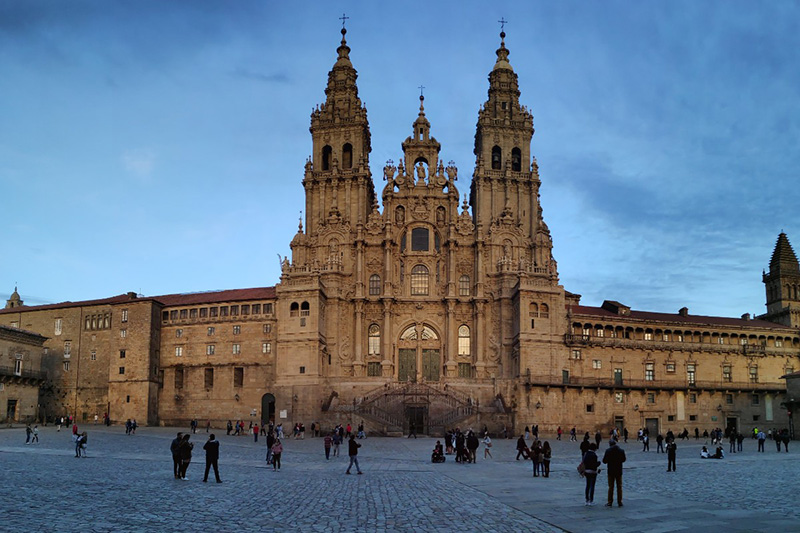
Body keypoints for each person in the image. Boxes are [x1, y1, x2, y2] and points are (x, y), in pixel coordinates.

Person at [602, 440, 626, 507]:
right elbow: (624, 459)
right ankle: (619, 502)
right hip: (618, 470)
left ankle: (610, 502)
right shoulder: (621, 450)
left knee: (611, 487)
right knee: (619, 487)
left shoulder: (608, 451)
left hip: (611, 471)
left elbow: (604, 461)